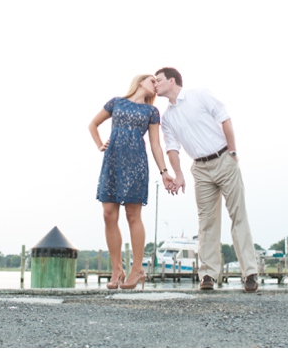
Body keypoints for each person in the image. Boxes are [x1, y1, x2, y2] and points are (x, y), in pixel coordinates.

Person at [154, 67, 260, 292]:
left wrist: (232, 152)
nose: (155, 84)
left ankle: (250, 272)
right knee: (206, 222)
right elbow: (172, 148)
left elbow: (225, 118)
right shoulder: (167, 118)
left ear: (172, 81)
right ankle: (208, 275)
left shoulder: (199, 95)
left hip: (223, 159)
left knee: (237, 215)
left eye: (158, 80)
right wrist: (179, 174)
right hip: (200, 169)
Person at [89, 74, 176, 290]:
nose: (156, 85)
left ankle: (137, 269)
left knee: (132, 215)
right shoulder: (116, 102)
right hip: (113, 162)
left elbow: (156, 144)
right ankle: (117, 269)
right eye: (153, 81)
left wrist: (164, 171)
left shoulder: (151, 112)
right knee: (108, 214)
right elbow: (93, 124)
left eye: (158, 82)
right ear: (139, 82)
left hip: (137, 163)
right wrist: (100, 144)